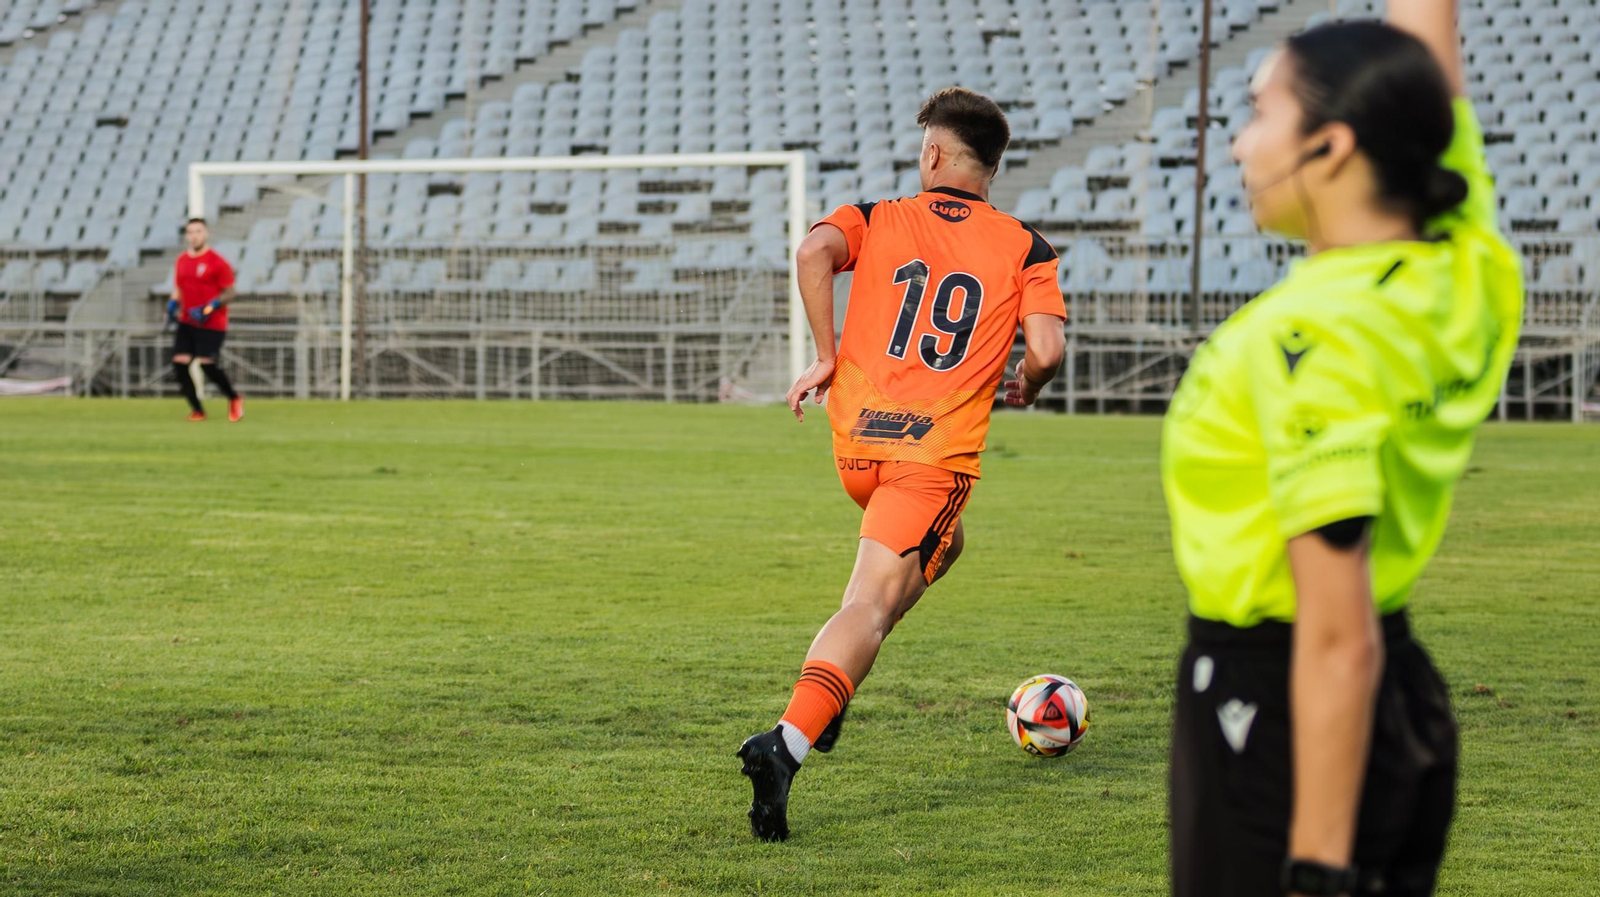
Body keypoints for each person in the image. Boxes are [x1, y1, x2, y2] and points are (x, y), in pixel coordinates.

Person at [1161, 2, 1522, 895]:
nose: (1240, 146)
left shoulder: (1314, 337)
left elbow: (1337, 632)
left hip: (1287, 709)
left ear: (1333, 147)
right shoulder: (1465, 259)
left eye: (1260, 113)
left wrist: (1318, 867)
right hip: (1400, 703)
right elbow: (1429, 60)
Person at [737, 87, 1067, 842]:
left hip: (857, 443)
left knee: (946, 546)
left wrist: (827, 354)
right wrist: (1030, 381)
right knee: (871, 607)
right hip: (930, 457)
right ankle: (784, 743)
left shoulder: (876, 214)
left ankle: (835, 685)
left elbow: (812, 251)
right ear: (991, 163)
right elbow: (1046, 350)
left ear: (932, 154)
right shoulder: (1026, 246)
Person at [169, 218, 243, 422]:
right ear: (186, 236)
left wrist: (210, 307)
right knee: (179, 363)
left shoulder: (217, 262)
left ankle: (234, 398)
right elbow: (178, 287)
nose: (194, 236)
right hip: (187, 321)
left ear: (206, 233)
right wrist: (172, 305)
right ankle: (198, 410)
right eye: (190, 232)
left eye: (198, 231)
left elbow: (230, 292)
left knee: (207, 364)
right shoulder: (182, 260)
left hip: (212, 323)